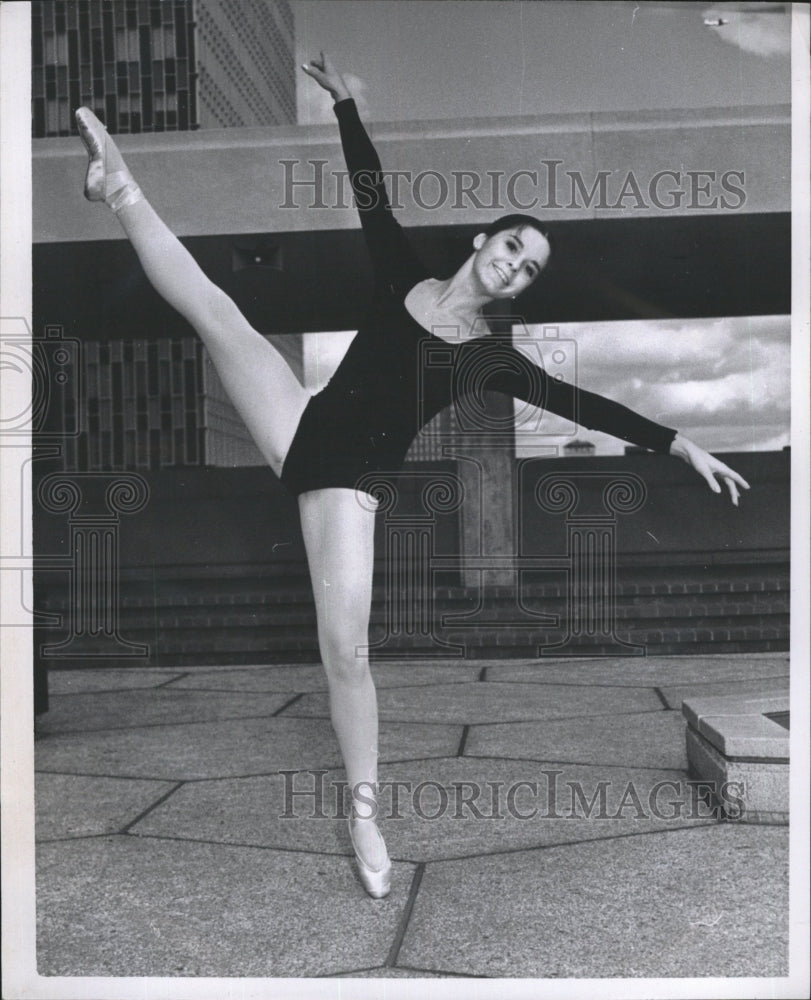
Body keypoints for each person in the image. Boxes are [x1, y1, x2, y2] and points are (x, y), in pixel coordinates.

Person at [75, 53, 749, 899]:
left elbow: (581, 403)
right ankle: (120, 186)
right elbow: (369, 188)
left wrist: (678, 441)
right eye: (511, 245)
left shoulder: (484, 361)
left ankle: (362, 811)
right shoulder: (402, 274)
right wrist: (348, 106)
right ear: (482, 241)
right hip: (300, 424)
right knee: (217, 309)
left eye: (529, 267)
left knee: (345, 654)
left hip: (347, 485)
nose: (514, 265)